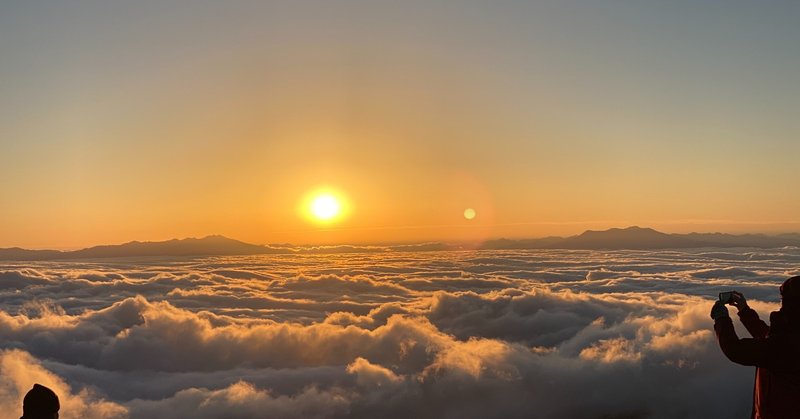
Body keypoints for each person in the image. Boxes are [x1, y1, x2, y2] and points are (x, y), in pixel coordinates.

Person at [711, 276, 800, 419]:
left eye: (783, 300)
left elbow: (735, 350)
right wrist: (744, 311)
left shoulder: (784, 344)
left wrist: (721, 319)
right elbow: (768, 339)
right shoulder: (790, 334)